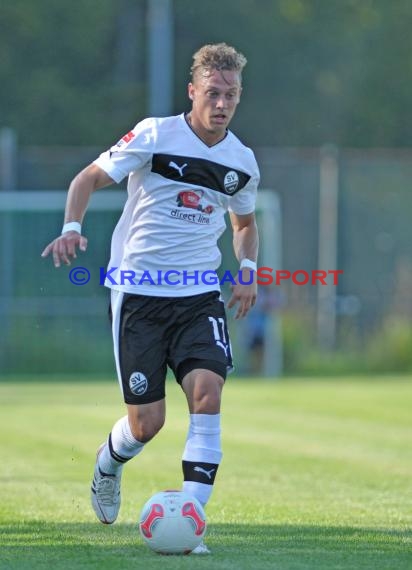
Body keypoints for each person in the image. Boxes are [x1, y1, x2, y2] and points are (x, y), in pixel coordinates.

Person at [41, 42, 260, 554]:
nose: (222, 103)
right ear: (193, 91)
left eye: (231, 94)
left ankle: (191, 519)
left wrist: (247, 269)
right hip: (138, 294)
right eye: (213, 93)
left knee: (207, 395)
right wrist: (73, 226)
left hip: (199, 295)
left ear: (239, 95)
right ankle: (109, 462)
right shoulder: (155, 134)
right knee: (148, 424)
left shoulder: (242, 162)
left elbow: (244, 224)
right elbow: (88, 177)